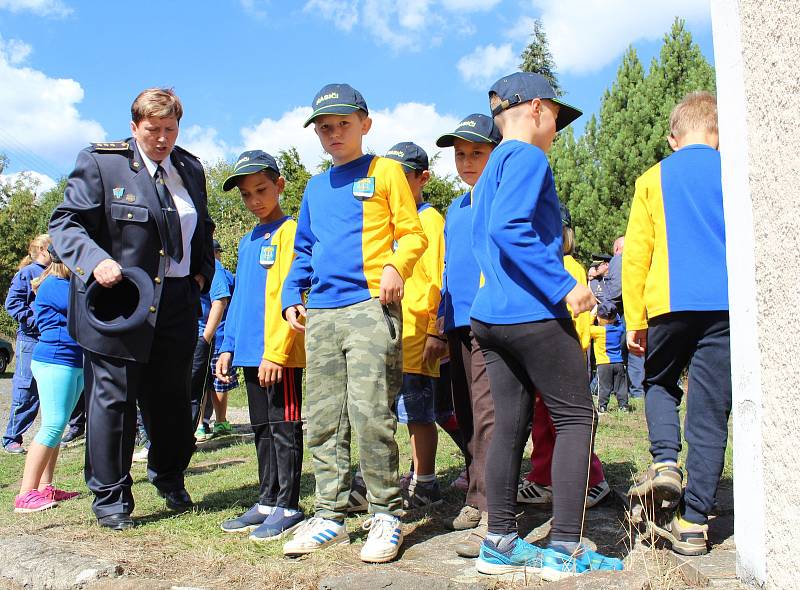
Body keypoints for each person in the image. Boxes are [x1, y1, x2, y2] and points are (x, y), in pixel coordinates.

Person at [471, 72, 622, 579]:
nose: (558, 128)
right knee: (577, 420)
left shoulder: (489, 170)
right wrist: (563, 284)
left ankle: (500, 543)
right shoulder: (529, 157)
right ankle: (564, 549)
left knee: (509, 430)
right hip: (533, 311)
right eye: (557, 116)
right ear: (536, 107)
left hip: (490, 316)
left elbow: (484, 239)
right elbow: (508, 228)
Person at [49, 88, 215, 531]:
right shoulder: (102, 163)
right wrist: (92, 259)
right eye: (153, 129)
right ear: (133, 127)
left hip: (177, 302)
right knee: (114, 401)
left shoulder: (190, 168)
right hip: (119, 301)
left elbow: (203, 226)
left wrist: (201, 274)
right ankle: (111, 496)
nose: (162, 138)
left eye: (170, 129)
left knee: (172, 402)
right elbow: (65, 223)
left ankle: (168, 474)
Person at [281, 83, 426, 563]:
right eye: (325, 127)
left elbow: (412, 234)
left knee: (370, 412)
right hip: (321, 313)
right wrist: (289, 297)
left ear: (365, 123)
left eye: (343, 123)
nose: (334, 133)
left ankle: (385, 513)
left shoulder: (386, 172)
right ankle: (329, 514)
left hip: (369, 306)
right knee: (322, 416)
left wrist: (394, 267)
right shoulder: (315, 187)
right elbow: (302, 249)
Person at [624, 91, 729, 557]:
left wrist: (634, 318)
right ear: (718, 132)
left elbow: (635, 255)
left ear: (672, 138)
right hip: (725, 306)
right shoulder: (734, 170)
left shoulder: (652, 179)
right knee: (709, 411)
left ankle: (666, 461)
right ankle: (693, 523)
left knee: (660, 382)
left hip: (666, 303)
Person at [215, 150, 305, 541]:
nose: (255, 200)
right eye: (247, 194)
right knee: (261, 429)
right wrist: (227, 345)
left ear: (279, 186)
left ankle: (288, 504)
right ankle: (267, 500)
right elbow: (240, 299)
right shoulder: (248, 240)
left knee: (284, 427)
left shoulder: (292, 232)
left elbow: (291, 296)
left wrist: (278, 352)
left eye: (262, 190)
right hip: (250, 353)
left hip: (278, 355)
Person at [435, 113, 501, 558]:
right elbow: (446, 270)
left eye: (477, 152)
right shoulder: (455, 209)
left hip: (492, 319)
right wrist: (440, 325)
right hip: (457, 321)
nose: (467, 161)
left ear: (496, 153)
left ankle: (492, 501)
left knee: (488, 409)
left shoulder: (502, 197)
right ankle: (476, 490)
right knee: (466, 411)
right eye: (460, 154)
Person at [518, 205, 611, 509]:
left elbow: (581, 316)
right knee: (544, 423)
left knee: (568, 424)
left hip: (566, 354)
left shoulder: (568, 265)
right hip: (543, 356)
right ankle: (543, 478)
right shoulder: (541, 263)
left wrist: (577, 348)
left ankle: (593, 480)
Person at [384, 142, 446, 509]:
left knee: (418, 415)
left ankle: (426, 481)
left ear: (422, 178)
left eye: (404, 176)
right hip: (389, 336)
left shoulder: (430, 219)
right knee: (392, 412)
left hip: (417, 336)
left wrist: (436, 331)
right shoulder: (389, 222)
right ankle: (404, 475)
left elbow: (439, 277)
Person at [14, 245, 82, 512]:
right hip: (56, 360)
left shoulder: (64, 283)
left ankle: (45, 487)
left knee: (58, 424)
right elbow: (87, 307)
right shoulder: (56, 285)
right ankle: (25, 493)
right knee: (52, 426)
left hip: (72, 360)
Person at [3, 234, 50, 454]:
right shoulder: (27, 273)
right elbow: (12, 304)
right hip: (30, 339)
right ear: (42, 250)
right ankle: (12, 438)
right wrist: (35, 322)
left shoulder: (57, 272)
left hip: (52, 339)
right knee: (26, 389)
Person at [192, 239, 236, 442]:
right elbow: (225, 300)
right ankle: (217, 421)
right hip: (213, 335)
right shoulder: (218, 269)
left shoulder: (214, 270)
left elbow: (222, 300)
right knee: (213, 382)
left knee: (207, 382)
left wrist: (205, 337)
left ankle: (204, 424)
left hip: (210, 335)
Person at [591, 303, 630, 413]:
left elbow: (586, 327)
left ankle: (602, 407)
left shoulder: (597, 331)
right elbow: (620, 321)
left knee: (604, 387)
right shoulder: (619, 329)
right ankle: (624, 406)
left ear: (598, 317)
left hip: (604, 364)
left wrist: (592, 314)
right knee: (621, 386)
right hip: (619, 363)